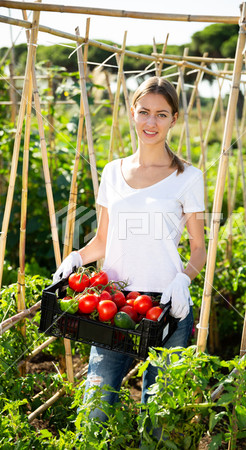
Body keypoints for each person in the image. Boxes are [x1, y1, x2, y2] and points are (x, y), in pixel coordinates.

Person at [53, 76, 206, 420]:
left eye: (162, 114)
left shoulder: (189, 177)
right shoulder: (112, 172)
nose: (151, 122)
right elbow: (103, 242)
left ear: (174, 119)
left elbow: (199, 250)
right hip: (116, 304)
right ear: (132, 113)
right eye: (144, 112)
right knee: (97, 406)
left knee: (158, 415)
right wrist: (76, 257)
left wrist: (184, 280)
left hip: (167, 307)